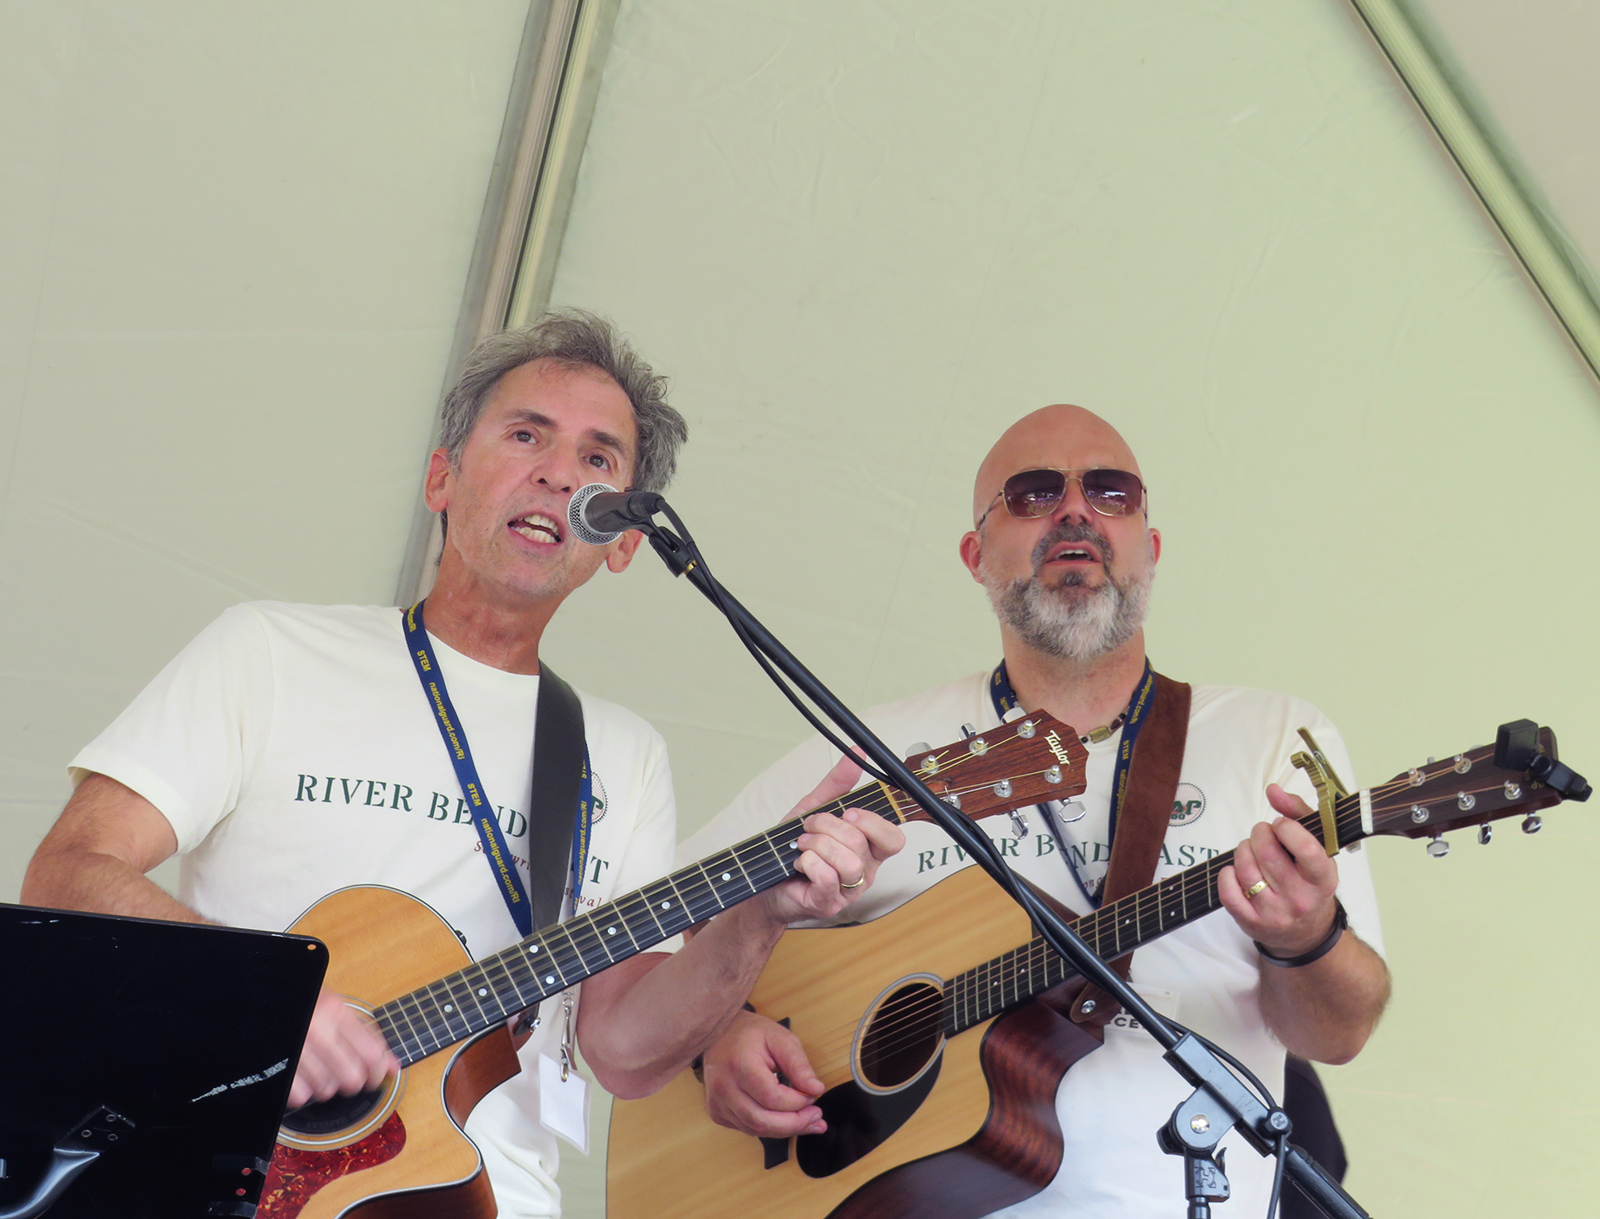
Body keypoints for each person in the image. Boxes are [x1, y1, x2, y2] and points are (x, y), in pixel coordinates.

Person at [20, 311, 903, 1218]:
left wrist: (760, 913)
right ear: (442, 476)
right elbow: (70, 869)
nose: (561, 472)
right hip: (223, 1176)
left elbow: (624, 1053)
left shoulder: (625, 754)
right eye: (527, 435)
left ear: (627, 539)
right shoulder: (271, 652)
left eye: (600, 461)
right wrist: (266, 1004)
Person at [678, 403, 1390, 1218]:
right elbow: (661, 927)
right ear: (976, 555)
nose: (1077, 510)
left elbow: (1338, 1036)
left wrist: (1307, 937)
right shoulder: (874, 749)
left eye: (1113, 493)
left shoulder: (1271, 737)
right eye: (1034, 493)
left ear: (1150, 547)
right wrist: (718, 1031)